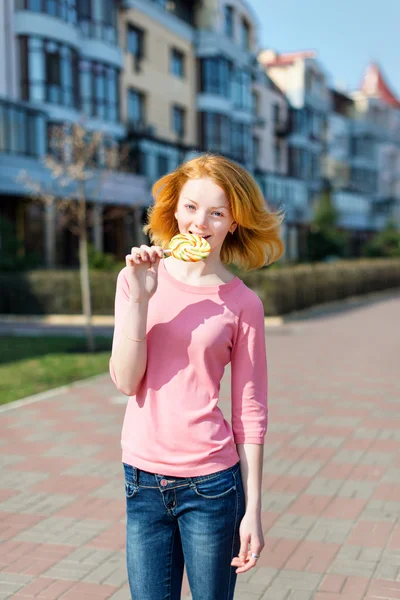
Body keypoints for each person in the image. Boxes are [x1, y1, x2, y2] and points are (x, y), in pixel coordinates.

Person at [109, 153, 285, 600]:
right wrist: (142, 300)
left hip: (211, 486)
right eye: (190, 207)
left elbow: (250, 412)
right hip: (142, 480)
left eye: (216, 212)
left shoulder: (244, 304)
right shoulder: (135, 280)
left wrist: (254, 510)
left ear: (234, 222)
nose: (199, 223)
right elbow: (127, 383)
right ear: (174, 209)